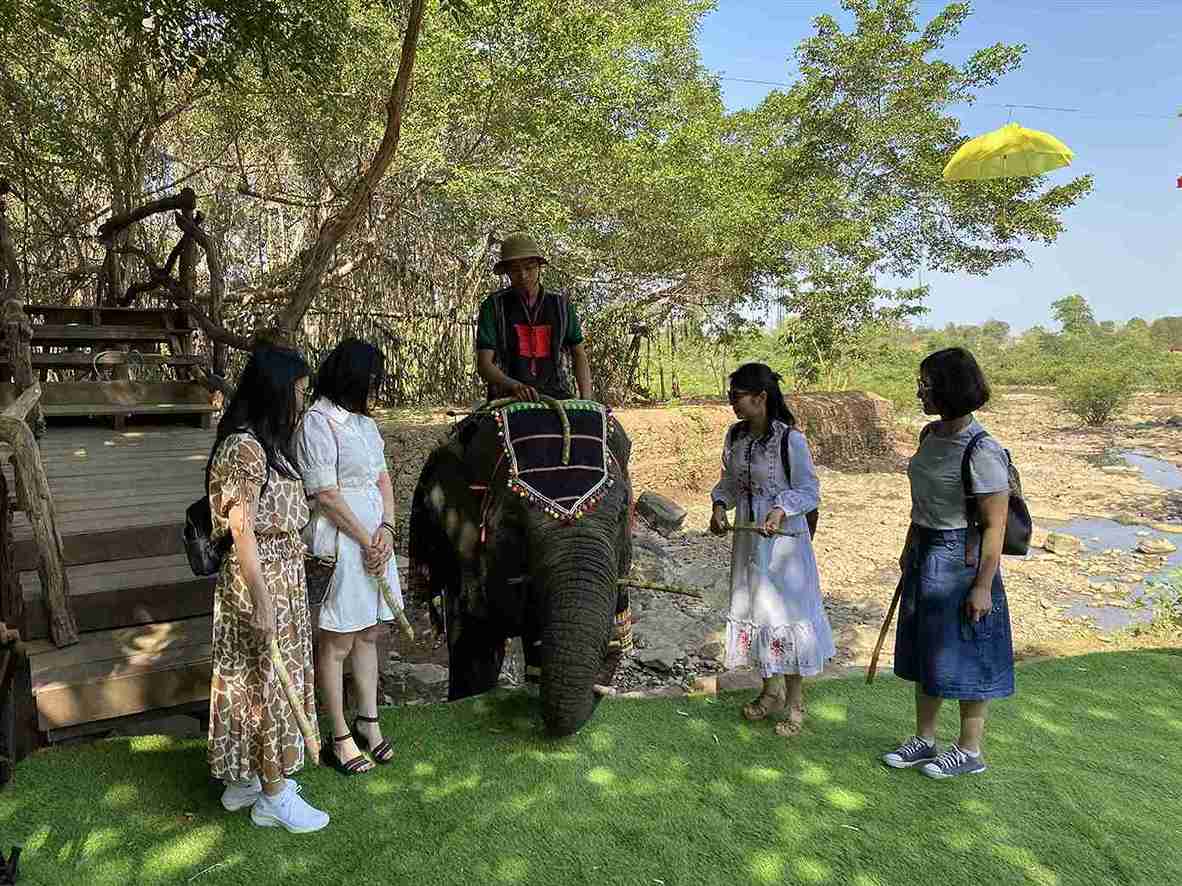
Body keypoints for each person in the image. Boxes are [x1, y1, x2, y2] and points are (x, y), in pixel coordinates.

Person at [206, 346, 328, 833]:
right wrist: (260, 598)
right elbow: (241, 530)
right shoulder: (246, 448)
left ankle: (247, 780)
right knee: (264, 684)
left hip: (280, 573)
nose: (302, 403)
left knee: (255, 682)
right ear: (275, 393)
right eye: (298, 394)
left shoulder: (268, 443)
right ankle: (273, 793)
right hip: (260, 579)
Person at [883, 346, 1013, 779]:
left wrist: (981, 586)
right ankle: (925, 739)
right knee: (927, 647)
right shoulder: (929, 435)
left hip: (963, 558)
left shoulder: (982, 449)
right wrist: (908, 547)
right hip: (925, 550)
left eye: (927, 384)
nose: (921, 391)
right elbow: (921, 502)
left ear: (950, 389)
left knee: (969, 650)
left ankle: (970, 750)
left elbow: (994, 526)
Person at [709, 363, 835, 737]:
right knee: (757, 611)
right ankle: (770, 691)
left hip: (784, 548)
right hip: (749, 542)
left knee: (787, 615)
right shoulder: (735, 437)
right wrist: (719, 506)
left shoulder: (789, 440)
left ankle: (794, 703)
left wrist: (781, 508)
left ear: (760, 398)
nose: (732, 404)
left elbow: (810, 490)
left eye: (737, 397)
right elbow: (730, 482)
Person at [297, 338, 402, 776]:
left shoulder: (365, 424)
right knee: (338, 639)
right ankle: (338, 734)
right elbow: (324, 494)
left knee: (369, 633)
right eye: (370, 382)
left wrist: (388, 532)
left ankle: (368, 721)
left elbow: (383, 480)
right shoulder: (316, 423)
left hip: (375, 540)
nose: (374, 391)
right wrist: (364, 539)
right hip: (340, 543)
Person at [475, 233, 592, 402]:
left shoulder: (562, 306)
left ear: (539, 267)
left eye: (529, 268)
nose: (523, 275)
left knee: (600, 426)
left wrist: (586, 401)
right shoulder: (493, 307)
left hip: (558, 395)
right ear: (506, 272)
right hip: (508, 396)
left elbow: (579, 354)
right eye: (515, 269)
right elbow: (484, 364)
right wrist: (515, 386)